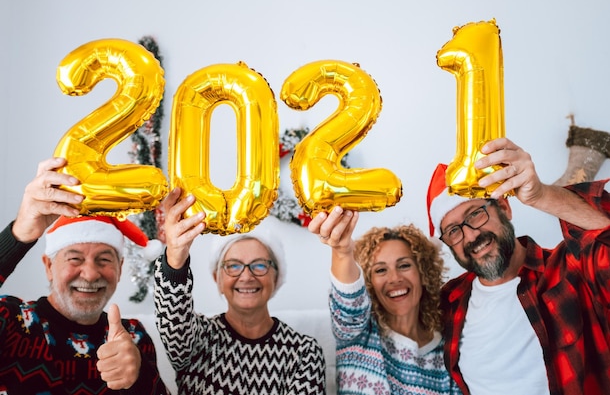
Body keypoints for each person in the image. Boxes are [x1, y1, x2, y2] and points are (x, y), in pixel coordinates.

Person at [425, 137, 610, 395]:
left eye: (475, 214)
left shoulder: (572, 270)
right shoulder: (448, 302)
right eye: (454, 230)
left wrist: (541, 195)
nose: (471, 236)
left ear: (505, 207)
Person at [0, 157, 171, 394]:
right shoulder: (13, 322)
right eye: (74, 259)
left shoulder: (133, 335)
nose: (90, 275)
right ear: (49, 265)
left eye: (104, 259)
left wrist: (139, 375)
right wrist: (19, 234)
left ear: (120, 268)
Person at [153, 187, 326, 395]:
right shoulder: (196, 339)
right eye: (233, 265)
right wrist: (175, 256)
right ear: (217, 277)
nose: (246, 276)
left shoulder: (303, 352)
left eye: (259, 265)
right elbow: (172, 316)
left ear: (276, 276)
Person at [307, 210, 461, 394]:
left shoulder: (447, 351)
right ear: (368, 282)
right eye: (380, 270)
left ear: (423, 272)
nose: (394, 278)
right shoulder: (358, 334)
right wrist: (342, 251)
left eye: (404, 265)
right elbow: (348, 304)